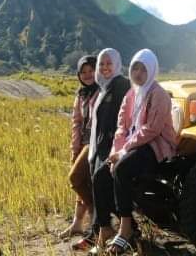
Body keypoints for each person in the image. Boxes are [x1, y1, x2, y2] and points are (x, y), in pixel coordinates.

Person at [93, 48, 177, 254]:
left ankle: (126, 228)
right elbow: (122, 127)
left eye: (143, 69)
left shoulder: (159, 95)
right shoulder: (131, 94)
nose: (138, 73)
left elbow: (152, 130)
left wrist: (123, 152)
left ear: (152, 70)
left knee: (122, 169)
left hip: (155, 146)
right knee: (99, 176)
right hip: (131, 146)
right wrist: (116, 151)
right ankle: (104, 227)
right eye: (135, 68)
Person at [88, 48, 131, 250]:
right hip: (101, 146)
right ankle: (102, 230)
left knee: (103, 182)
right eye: (102, 64)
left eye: (109, 63)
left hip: (114, 146)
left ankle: (114, 230)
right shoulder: (104, 87)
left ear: (116, 64)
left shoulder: (121, 84)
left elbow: (123, 121)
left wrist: (116, 147)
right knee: (100, 186)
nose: (105, 67)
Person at [59, 55, 99, 249]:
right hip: (82, 143)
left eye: (91, 70)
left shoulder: (103, 90)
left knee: (75, 178)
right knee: (82, 181)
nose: (87, 75)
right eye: (83, 72)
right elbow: (76, 122)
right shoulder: (81, 94)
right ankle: (77, 223)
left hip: (96, 143)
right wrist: (74, 148)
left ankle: (96, 216)